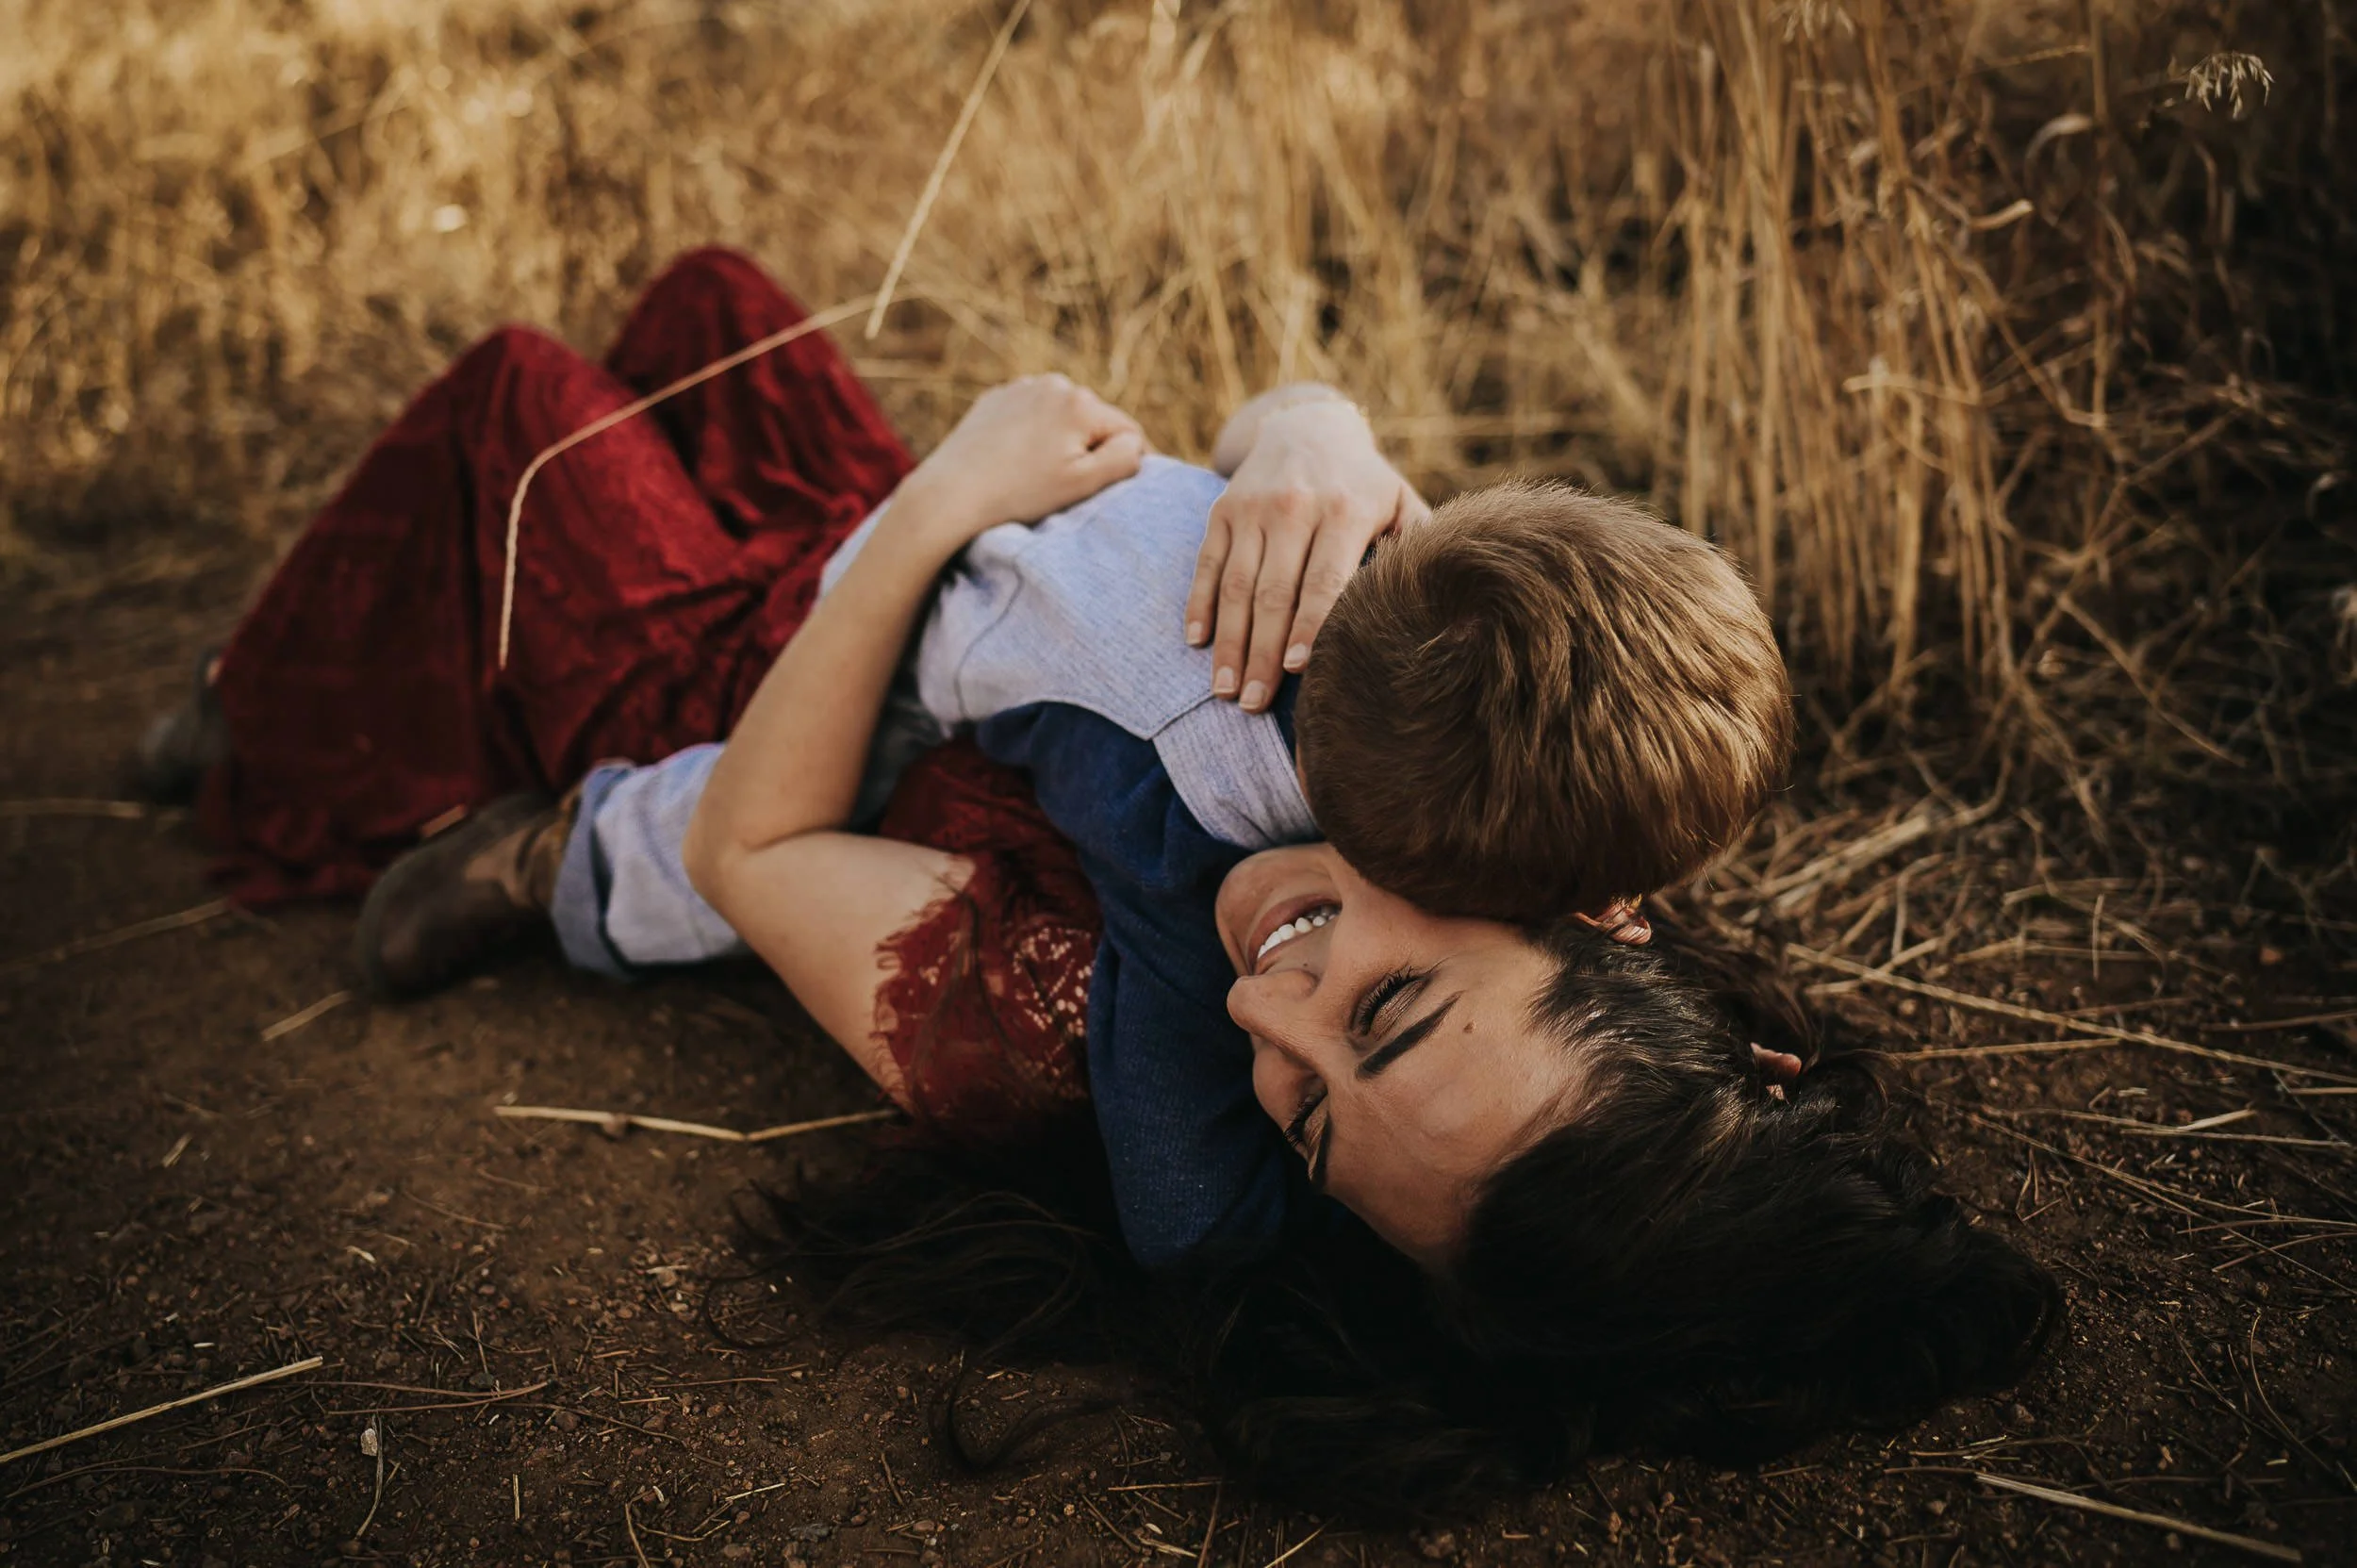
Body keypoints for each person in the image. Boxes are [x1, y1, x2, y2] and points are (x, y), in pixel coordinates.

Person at [141, 247, 2058, 1509]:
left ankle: (254, 711)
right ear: (1590, 919)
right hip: (939, 574)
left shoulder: (1047, 1024)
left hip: (772, 664)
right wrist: (1311, 433)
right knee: (719, 297)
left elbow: (750, 841)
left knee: (514, 400)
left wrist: (942, 497)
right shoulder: (1509, 795)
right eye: (1386, 1008)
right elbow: (1272, 522)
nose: (1255, 1009)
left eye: (1294, 1117)